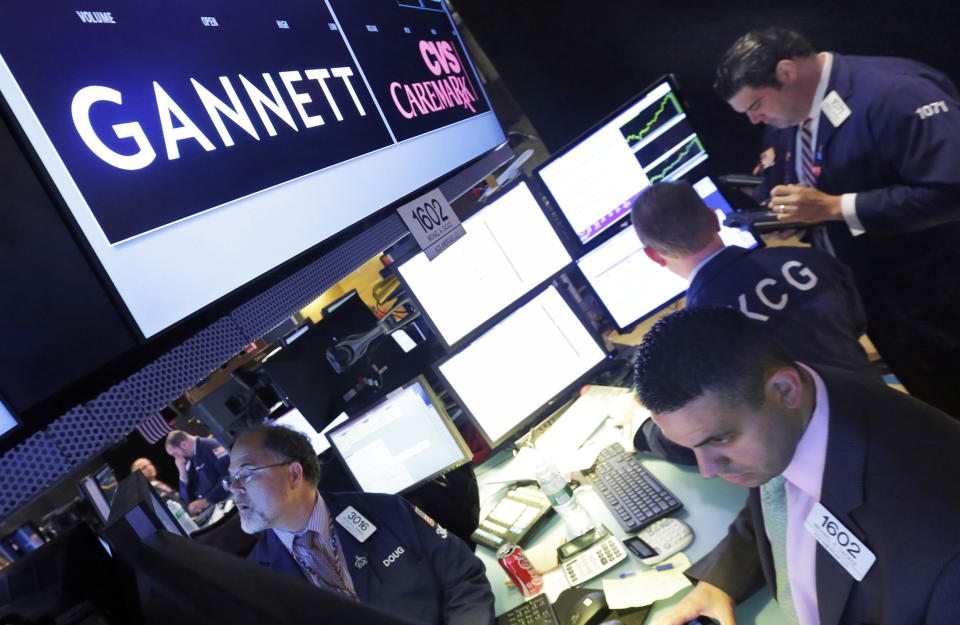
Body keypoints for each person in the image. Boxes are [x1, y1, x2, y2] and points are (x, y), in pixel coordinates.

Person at [632, 306, 960, 625]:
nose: (708, 469)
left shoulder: (941, 550)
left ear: (785, 390)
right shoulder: (797, 399)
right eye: (690, 447)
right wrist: (719, 582)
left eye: (720, 439)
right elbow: (783, 499)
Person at [713, 27, 960, 417]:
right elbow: (801, 179)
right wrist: (794, 216)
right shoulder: (789, 115)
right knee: (940, 409)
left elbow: (950, 191)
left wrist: (834, 208)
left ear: (787, 72)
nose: (755, 119)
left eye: (756, 105)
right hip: (882, 306)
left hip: (939, 299)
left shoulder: (897, 92)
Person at [630, 180, 876, 465]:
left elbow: (711, 431)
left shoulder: (697, 335)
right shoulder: (808, 258)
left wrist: (641, 426)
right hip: (879, 405)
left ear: (653, 256)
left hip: (817, 454)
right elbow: (857, 325)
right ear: (714, 218)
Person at [227, 424, 495, 625]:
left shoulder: (387, 511)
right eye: (230, 480)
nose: (235, 489)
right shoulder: (255, 583)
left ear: (294, 475)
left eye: (246, 474)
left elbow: (464, 580)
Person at [164, 430, 232, 516]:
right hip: (213, 509)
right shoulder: (190, 458)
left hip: (228, 502)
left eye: (175, 454)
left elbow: (230, 476)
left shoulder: (211, 446)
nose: (177, 459)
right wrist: (181, 471)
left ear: (184, 445)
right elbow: (186, 499)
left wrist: (208, 500)